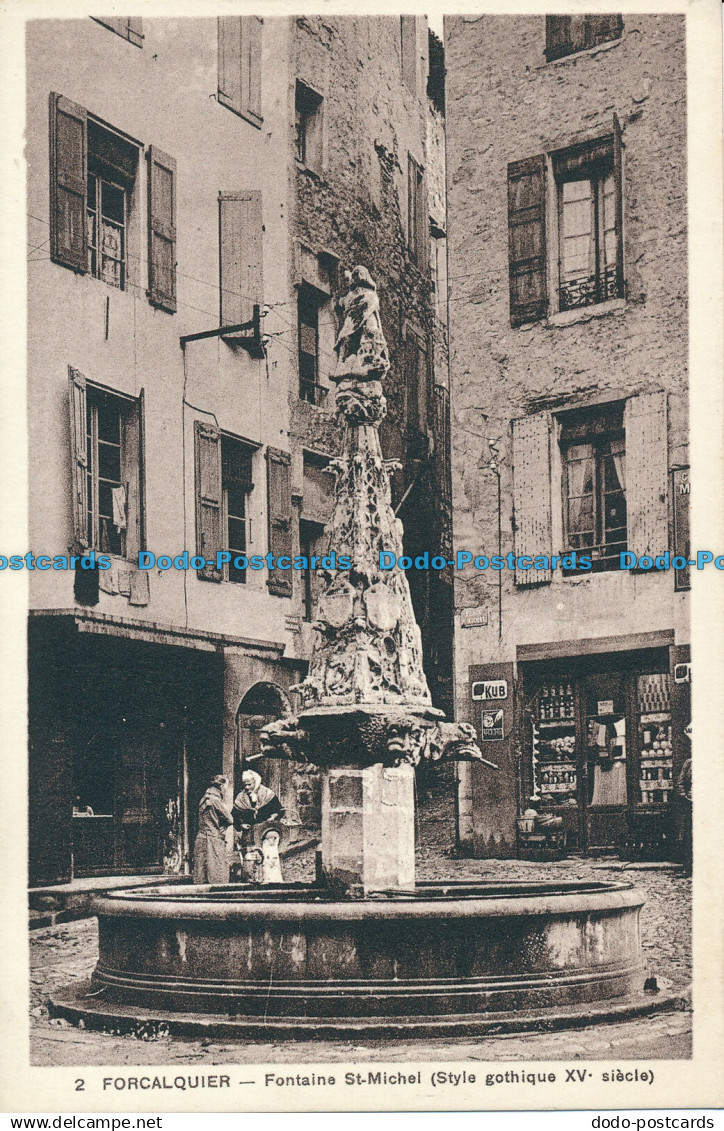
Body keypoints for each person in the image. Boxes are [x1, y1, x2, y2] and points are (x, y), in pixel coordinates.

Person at [193, 775, 233, 884]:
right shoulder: (216, 800)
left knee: (201, 871)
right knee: (217, 871)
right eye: (225, 786)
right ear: (221, 786)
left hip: (201, 838)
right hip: (213, 839)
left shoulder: (203, 798)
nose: (226, 789)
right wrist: (222, 827)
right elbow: (230, 819)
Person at [676, 756, 692, 875]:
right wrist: (684, 795)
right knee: (689, 836)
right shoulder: (689, 763)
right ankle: (688, 867)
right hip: (692, 803)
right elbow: (680, 782)